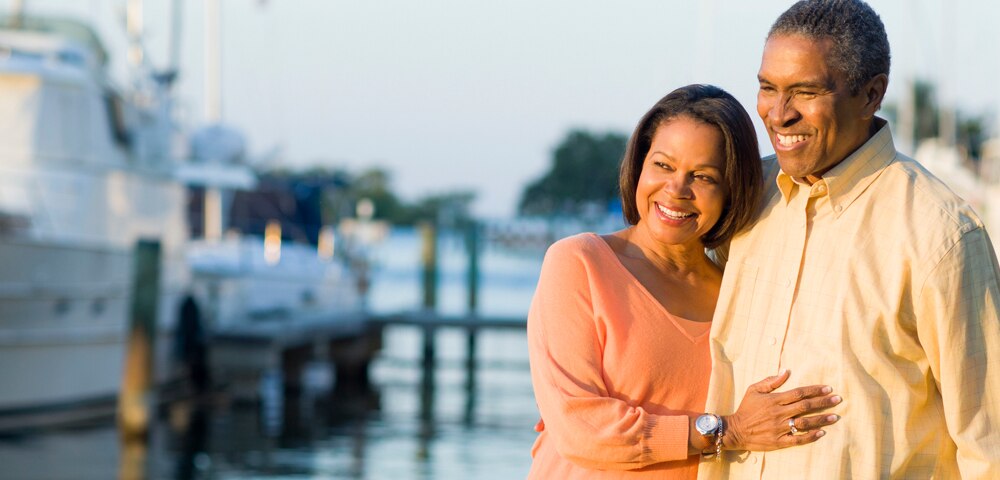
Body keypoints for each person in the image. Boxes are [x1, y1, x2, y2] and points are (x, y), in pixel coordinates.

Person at [699, 1, 1000, 478]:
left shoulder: (942, 236)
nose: (779, 114)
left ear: (870, 95)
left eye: (806, 91)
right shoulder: (745, 198)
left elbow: (989, 445)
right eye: (767, 87)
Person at [526, 84, 842, 479]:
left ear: (732, 189)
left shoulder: (737, 296)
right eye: (662, 165)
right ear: (640, 164)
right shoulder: (579, 263)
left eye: (703, 176)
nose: (676, 191)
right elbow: (582, 430)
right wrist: (729, 430)